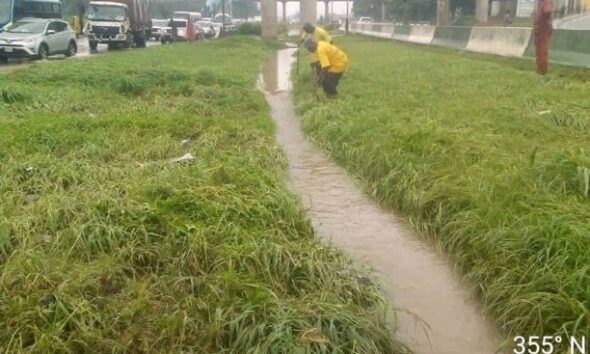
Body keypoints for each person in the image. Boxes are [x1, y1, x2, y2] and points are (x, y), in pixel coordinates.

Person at [533, 0, 554, 75]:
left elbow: (547, 11)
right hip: (539, 30)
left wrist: (543, 22)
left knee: (542, 51)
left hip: (543, 29)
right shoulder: (540, 3)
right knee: (538, 51)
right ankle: (539, 70)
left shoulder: (546, 1)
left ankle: (542, 72)